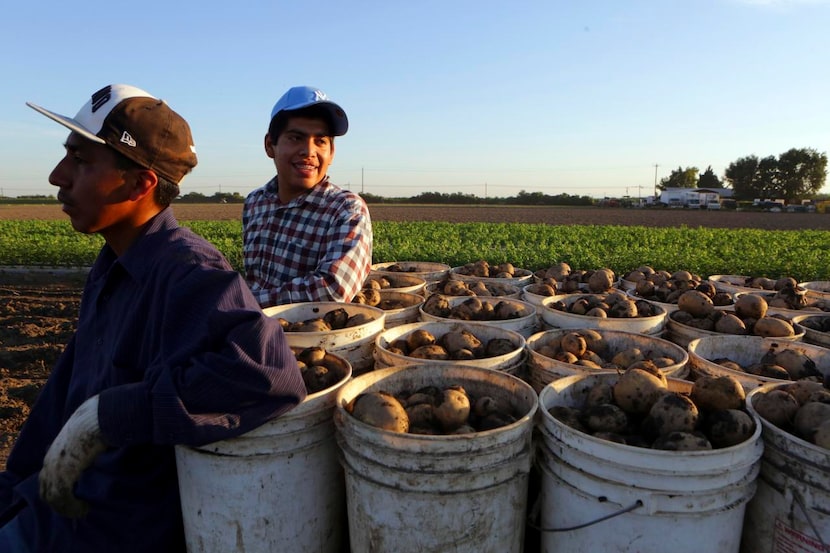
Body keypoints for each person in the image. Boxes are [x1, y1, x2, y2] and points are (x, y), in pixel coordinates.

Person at [0, 84, 307, 551]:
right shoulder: (112, 266)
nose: (56, 176)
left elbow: (268, 376)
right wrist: (16, 486)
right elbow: (66, 393)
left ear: (140, 184)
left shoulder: (188, 273)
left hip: (104, 530)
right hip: (51, 510)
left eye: (81, 161)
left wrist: (109, 415)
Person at [243, 85, 373, 307]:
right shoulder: (256, 202)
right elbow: (255, 279)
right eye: (295, 138)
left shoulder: (346, 209)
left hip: (313, 338)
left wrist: (243, 302)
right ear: (269, 145)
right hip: (248, 331)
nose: (309, 151)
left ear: (331, 153)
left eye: (320, 141)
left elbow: (333, 289)